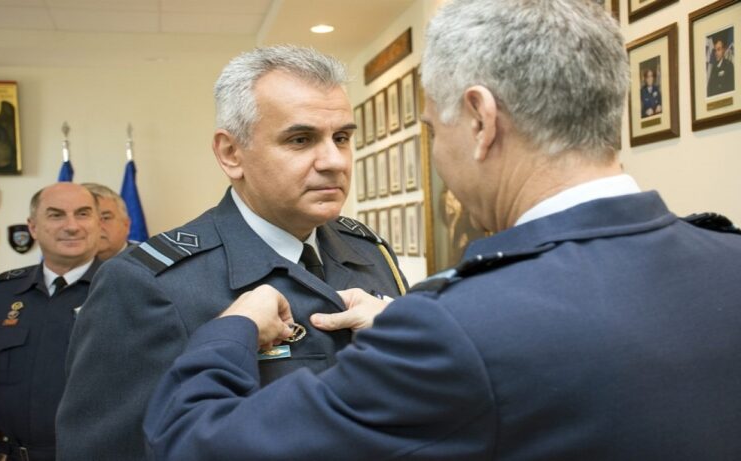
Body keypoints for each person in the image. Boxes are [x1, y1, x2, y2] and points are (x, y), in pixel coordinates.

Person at [143, 1, 741, 460]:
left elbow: (192, 442)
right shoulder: (727, 256)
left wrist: (231, 332)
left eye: (433, 129)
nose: (335, 161)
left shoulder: (456, 324)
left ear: (480, 121)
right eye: (302, 139)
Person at [56, 45, 408, 461]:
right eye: (300, 139)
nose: (334, 161)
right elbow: (106, 449)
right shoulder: (147, 284)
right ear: (231, 153)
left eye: (342, 138)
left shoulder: (369, 251)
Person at [0, 183, 101, 461]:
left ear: (98, 223)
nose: (72, 226)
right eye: (56, 215)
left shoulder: (128, 291)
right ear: (32, 227)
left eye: (83, 214)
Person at [82, 182, 132, 260]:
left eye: (105, 218)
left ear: (126, 225)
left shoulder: (148, 262)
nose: (95, 225)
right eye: (85, 217)